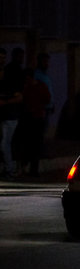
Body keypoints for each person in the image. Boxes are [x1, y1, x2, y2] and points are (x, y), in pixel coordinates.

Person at [19, 68, 51, 177]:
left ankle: (33, 168)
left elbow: (47, 99)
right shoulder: (32, 87)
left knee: (34, 144)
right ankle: (32, 168)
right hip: (33, 118)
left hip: (35, 118)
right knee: (33, 144)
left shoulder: (33, 87)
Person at [0, 48, 24, 179]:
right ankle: (9, 168)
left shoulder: (11, 73)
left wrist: (5, 101)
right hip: (6, 115)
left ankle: (10, 169)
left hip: (10, 115)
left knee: (5, 143)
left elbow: (19, 96)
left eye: (3, 57)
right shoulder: (8, 72)